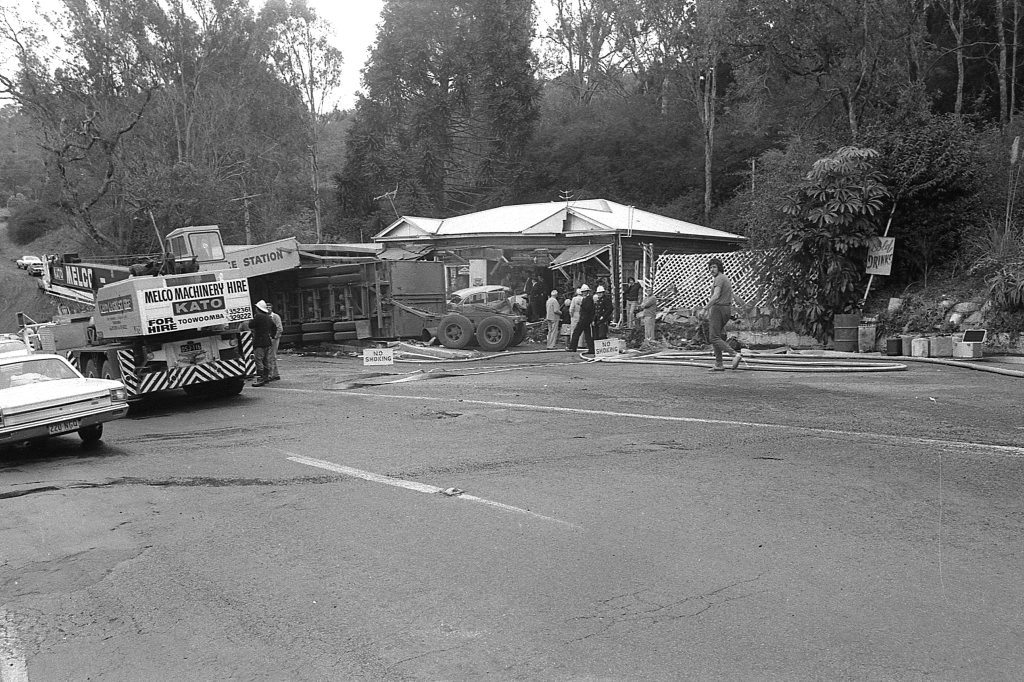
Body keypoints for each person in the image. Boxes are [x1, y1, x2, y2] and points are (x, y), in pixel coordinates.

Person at [704, 257, 742, 371]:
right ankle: (719, 363)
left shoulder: (719, 279)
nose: (712, 270)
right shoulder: (724, 278)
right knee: (717, 336)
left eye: (714, 267)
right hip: (726, 309)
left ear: (719, 268)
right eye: (710, 267)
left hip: (718, 309)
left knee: (713, 337)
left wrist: (705, 308)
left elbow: (715, 296)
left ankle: (734, 354)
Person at [251, 300, 276, 386]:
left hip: (259, 342)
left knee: (259, 360)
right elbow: (274, 327)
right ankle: (266, 377)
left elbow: (251, 325)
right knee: (266, 360)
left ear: (258, 309)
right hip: (267, 341)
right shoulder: (268, 317)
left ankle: (260, 378)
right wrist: (272, 336)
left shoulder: (258, 317)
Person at [568, 284, 595, 354]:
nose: (584, 293)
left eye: (585, 291)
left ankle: (572, 347)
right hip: (585, 319)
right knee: (587, 334)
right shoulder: (586, 299)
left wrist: (581, 304)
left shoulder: (588, 299)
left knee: (576, 333)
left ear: (587, 292)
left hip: (584, 319)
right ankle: (591, 349)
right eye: (583, 292)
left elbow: (588, 309)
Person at [266, 302, 283, 382]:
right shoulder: (266, 317)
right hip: (269, 338)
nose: (268, 309)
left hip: (274, 338)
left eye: (269, 307)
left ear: (271, 308)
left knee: (272, 356)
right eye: (267, 307)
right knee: (271, 356)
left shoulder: (275, 317)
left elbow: (279, 328)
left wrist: (274, 337)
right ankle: (275, 374)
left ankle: (272, 374)